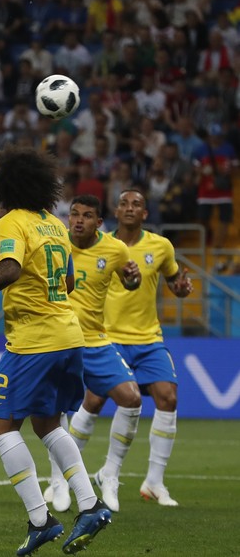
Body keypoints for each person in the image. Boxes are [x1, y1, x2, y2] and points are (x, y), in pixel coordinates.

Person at [0, 146, 111, 556]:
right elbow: (68, 281)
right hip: (69, 335)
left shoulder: (9, 223)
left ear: (5, 187)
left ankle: (41, 519)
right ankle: (89, 506)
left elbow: (10, 268)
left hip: (34, 342)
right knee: (47, 423)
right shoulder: (55, 224)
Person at [43, 195, 142, 513]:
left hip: (96, 341)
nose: (79, 220)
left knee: (131, 398)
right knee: (56, 411)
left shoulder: (115, 249)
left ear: (100, 223)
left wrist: (133, 279)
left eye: (87, 215)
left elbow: (129, 282)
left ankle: (110, 474)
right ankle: (58, 480)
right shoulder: (55, 242)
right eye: (74, 214)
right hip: (58, 339)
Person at [104, 189, 193, 506]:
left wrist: (181, 290)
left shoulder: (161, 246)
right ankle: (77, 476)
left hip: (148, 338)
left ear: (145, 214)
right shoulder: (103, 245)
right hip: (108, 337)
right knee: (91, 400)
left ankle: (154, 481)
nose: (130, 208)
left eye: (137, 204)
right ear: (116, 211)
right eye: (125, 203)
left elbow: (174, 282)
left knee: (168, 398)